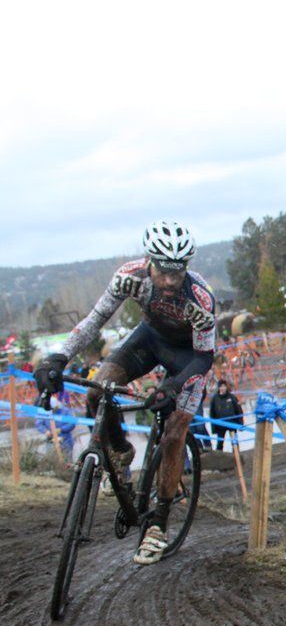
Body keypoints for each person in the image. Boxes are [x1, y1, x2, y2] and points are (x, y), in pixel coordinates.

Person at [34, 219, 216, 565]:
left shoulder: (200, 297)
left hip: (189, 356)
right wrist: (58, 356)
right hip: (148, 339)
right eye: (162, 272)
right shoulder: (129, 277)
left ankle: (158, 526)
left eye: (176, 274)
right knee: (97, 390)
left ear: (186, 269)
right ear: (150, 262)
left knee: (175, 431)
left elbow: (205, 357)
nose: (168, 282)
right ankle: (119, 452)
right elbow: (93, 320)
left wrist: (173, 387)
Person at [206, 379, 244, 451]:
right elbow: (212, 413)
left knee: (234, 442)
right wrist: (213, 427)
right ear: (219, 388)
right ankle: (219, 457)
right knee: (220, 442)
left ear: (226, 387)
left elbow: (239, 410)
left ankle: (237, 455)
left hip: (232, 423)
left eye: (224, 386)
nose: (223, 388)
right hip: (220, 424)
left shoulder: (232, 397)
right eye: (221, 386)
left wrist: (241, 424)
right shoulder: (215, 399)